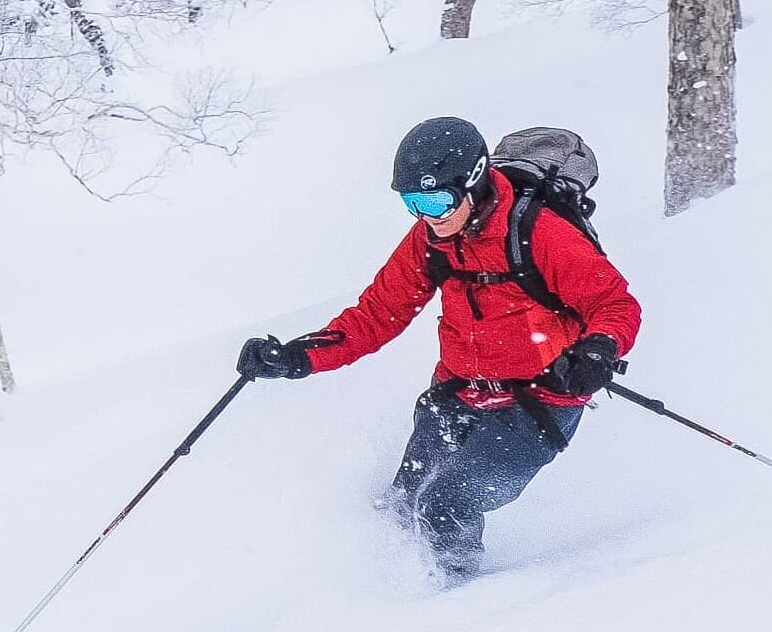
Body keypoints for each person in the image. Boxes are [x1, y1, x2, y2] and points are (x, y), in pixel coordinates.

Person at [237, 117, 642, 580]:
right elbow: (377, 315)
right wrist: (296, 358)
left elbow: (614, 303)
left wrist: (596, 351)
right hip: (455, 394)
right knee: (400, 506)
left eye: (435, 200)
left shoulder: (541, 233)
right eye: (413, 204)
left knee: (444, 504)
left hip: (539, 402)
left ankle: (449, 605)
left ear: (472, 183)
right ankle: (383, 591)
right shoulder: (431, 240)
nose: (428, 216)